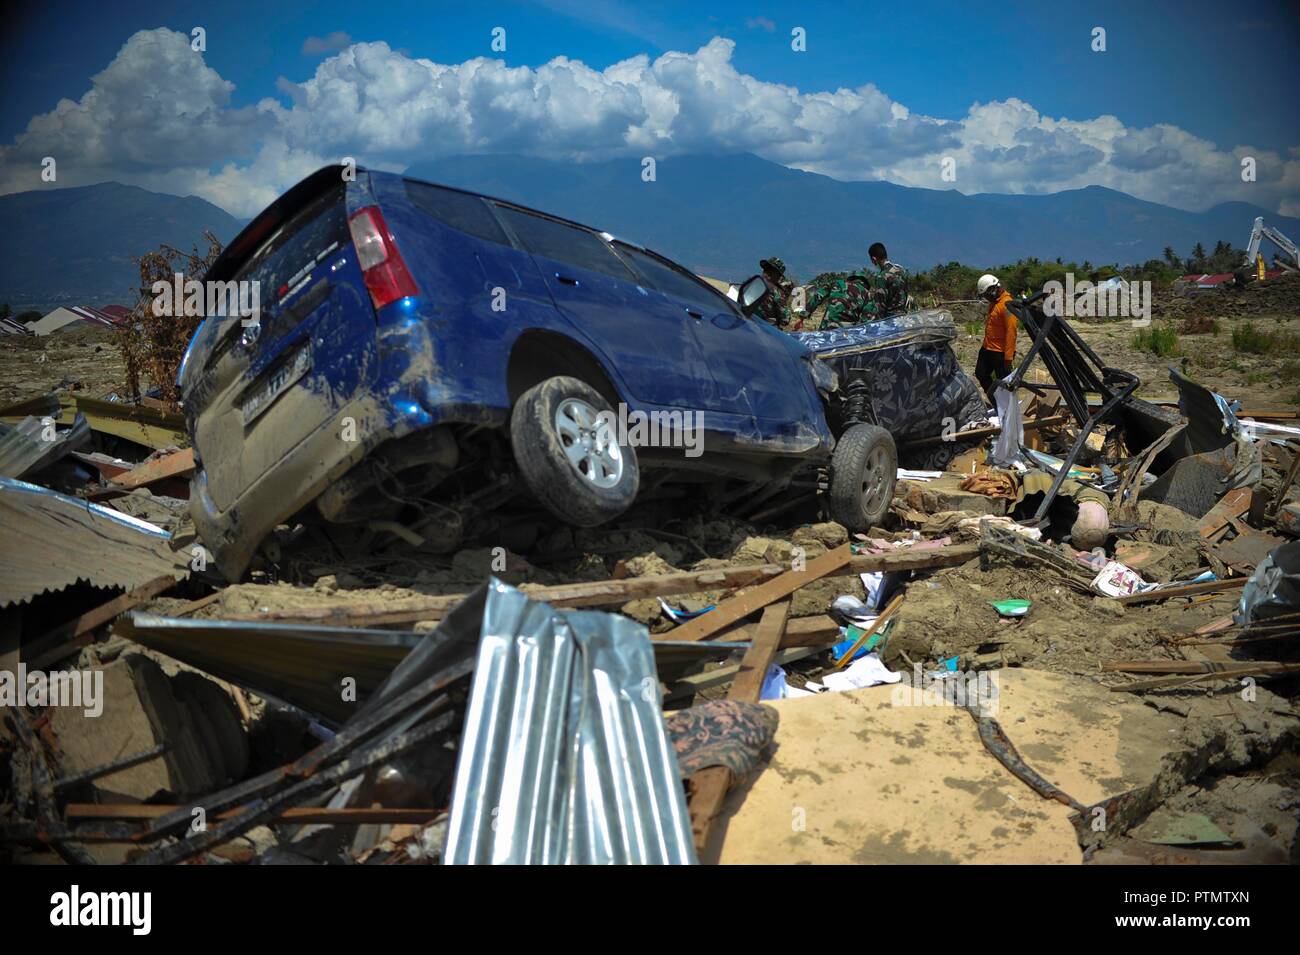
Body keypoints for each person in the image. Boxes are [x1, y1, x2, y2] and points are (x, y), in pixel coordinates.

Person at [974, 273, 1017, 402]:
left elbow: (1011, 331)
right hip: (987, 347)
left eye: (987, 295)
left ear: (993, 290)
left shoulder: (1007, 304)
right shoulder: (995, 302)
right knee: (981, 373)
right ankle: (996, 402)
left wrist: (1008, 357)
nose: (986, 298)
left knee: (1005, 384)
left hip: (1000, 352)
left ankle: (1007, 410)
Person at [867, 242, 914, 317]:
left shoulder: (882, 277)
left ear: (874, 259)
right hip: (904, 318)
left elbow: (880, 306)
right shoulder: (901, 271)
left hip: (890, 319)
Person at [755, 257, 795, 327]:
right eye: (766, 269)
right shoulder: (755, 284)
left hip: (764, 329)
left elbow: (785, 320)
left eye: (771, 271)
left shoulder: (777, 293)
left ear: (777, 276)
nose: (766, 273)